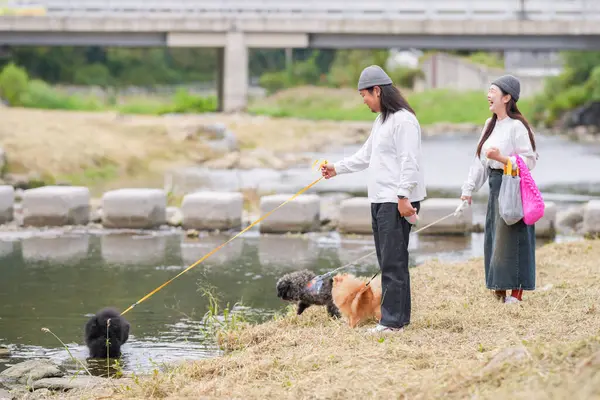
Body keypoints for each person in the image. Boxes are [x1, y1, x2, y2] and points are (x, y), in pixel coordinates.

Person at [321, 65, 426, 333]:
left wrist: (404, 197)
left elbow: (409, 161)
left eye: (364, 95)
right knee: (387, 259)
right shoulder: (381, 121)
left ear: (377, 90)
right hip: (380, 200)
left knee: (393, 261)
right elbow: (365, 156)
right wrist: (337, 168)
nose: (364, 101)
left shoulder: (404, 121)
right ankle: (397, 319)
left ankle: (392, 322)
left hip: (396, 201)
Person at [460, 75, 538, 304]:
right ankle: (499, 288)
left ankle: (517, 291)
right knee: (495, 236)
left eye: (493, 91)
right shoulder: (489, 124)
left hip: (512, 185)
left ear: (507, 97)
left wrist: (502, 158)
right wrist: (469, 189)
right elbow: (480, 162)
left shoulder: (518, 127)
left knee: (514, 235)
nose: (488, 95)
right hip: (495, 185)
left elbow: (530, 161)